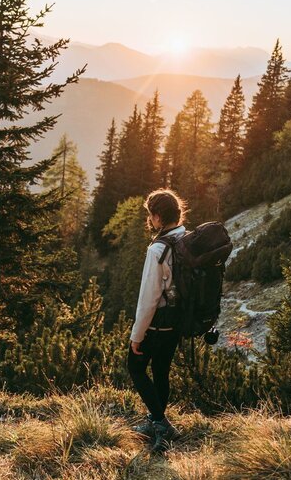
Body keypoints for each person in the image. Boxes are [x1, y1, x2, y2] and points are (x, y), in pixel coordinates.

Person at [128, 188, 186, 451]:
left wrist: (137, 336)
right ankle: (155, 420)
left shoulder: (158, 250)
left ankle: (161, 424)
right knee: (161, 371)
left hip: (157, 323)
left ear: (159, 217)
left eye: (151, 216)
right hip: (177, 321)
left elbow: (148, 298)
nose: (150, 221)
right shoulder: (186, 239)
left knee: (136, 368)